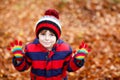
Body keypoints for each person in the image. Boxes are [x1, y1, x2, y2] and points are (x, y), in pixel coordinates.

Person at [8, 9, 90, 80]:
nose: (47, 38)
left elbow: (69, 67)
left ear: (57, 37)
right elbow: (23, 67)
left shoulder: (65, 49)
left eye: (51, 35)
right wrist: (19, 59)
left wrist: (77, 60)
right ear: (37, 35)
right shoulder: (31, 49)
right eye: (43, 34)